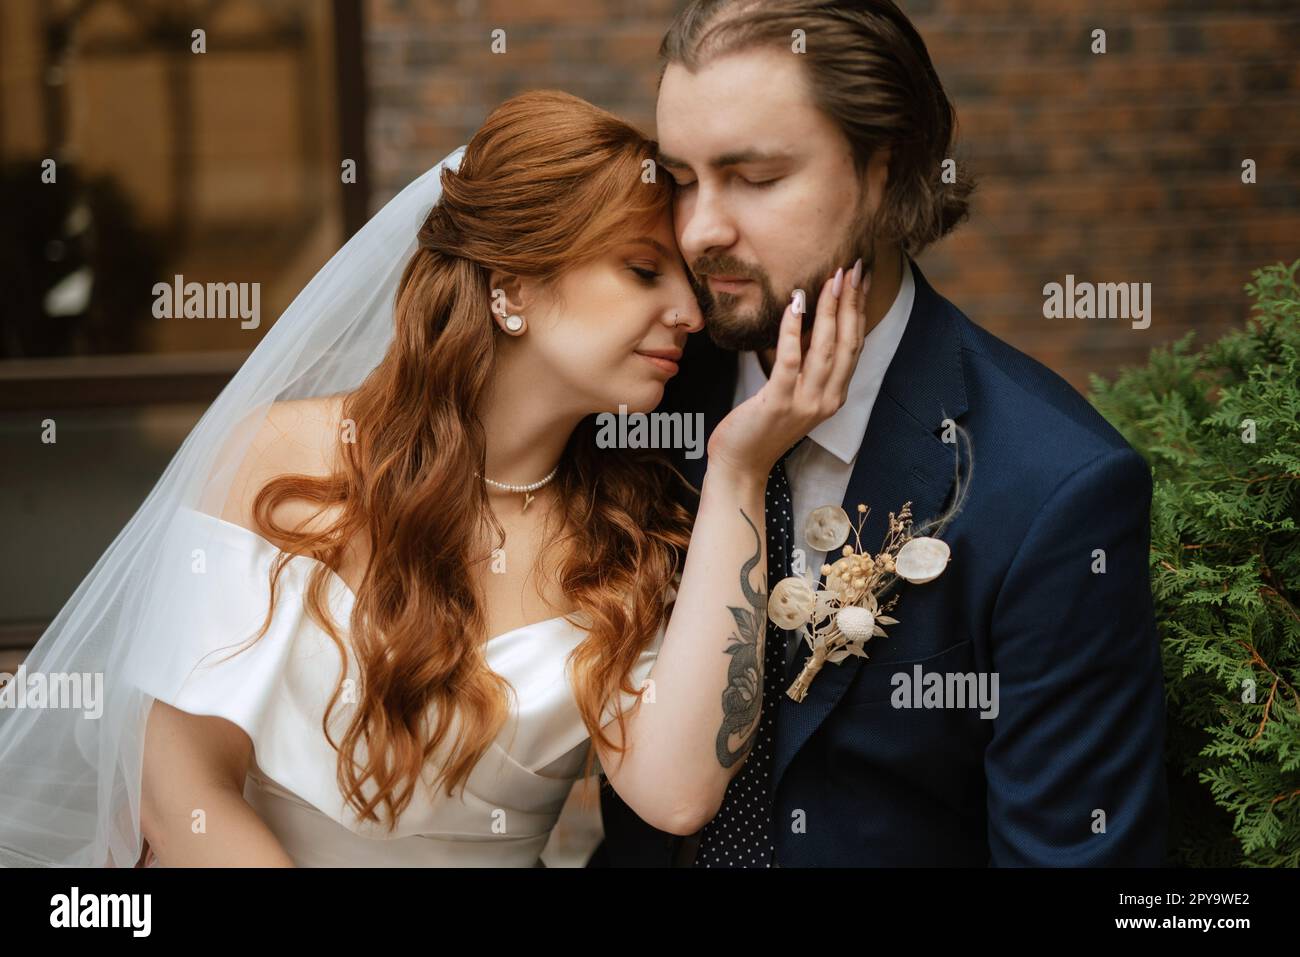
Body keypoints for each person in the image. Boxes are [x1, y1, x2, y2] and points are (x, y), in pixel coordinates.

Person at [0, 89, 868, 867]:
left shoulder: (631, 531)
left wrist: (738, 469)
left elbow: (676, 793)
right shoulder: (285, 458)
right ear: (513, 286)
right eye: (642, 271)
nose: (686, 312)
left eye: (683, 281)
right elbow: (176, 787)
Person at [593, 0, 1169, 867]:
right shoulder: (634, 405)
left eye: (753, 177)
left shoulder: (1053, 488)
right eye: (680, 177)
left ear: (887, 170)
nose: (700, 228)